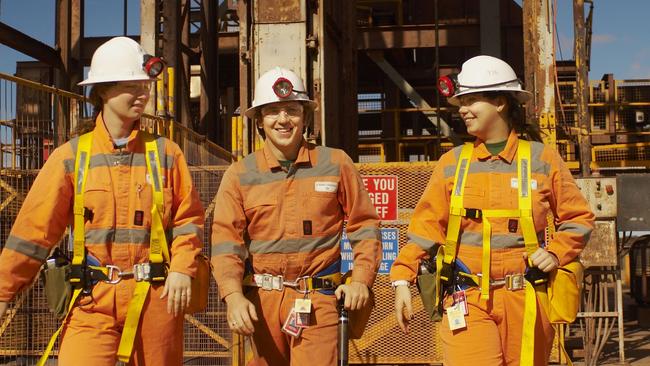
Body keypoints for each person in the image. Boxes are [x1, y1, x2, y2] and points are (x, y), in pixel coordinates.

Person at [0, 37, 204, 365]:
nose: (142, 93)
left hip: (154, 297)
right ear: (104, 91)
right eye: (131, 86)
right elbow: (34, 230)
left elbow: (188, 219)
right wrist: (4, 290)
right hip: (91, 301)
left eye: (145, 85)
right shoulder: (71, 157)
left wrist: (182, 268)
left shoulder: (166, 153)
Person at [390, 55, 595, 365]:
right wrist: (402, 279)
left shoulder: (543, 159)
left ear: (500, 102)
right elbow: (426, 228)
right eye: (461, 101)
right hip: (467, 298)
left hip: (526, 298)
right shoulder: (453, 164)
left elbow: (578, 218)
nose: (462, 109)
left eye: (471, 100)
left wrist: (555, 253)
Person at [211, 67, 381, 366]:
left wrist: (361, 280)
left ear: (305, 117)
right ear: (260, 122)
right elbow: (227, 243)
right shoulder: (240, 174)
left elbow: (364, 226)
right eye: (273, 111)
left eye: (291, 110)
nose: (283, 119)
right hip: (262, 305)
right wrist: (233, 296)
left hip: (319, 302)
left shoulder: (335, 163)